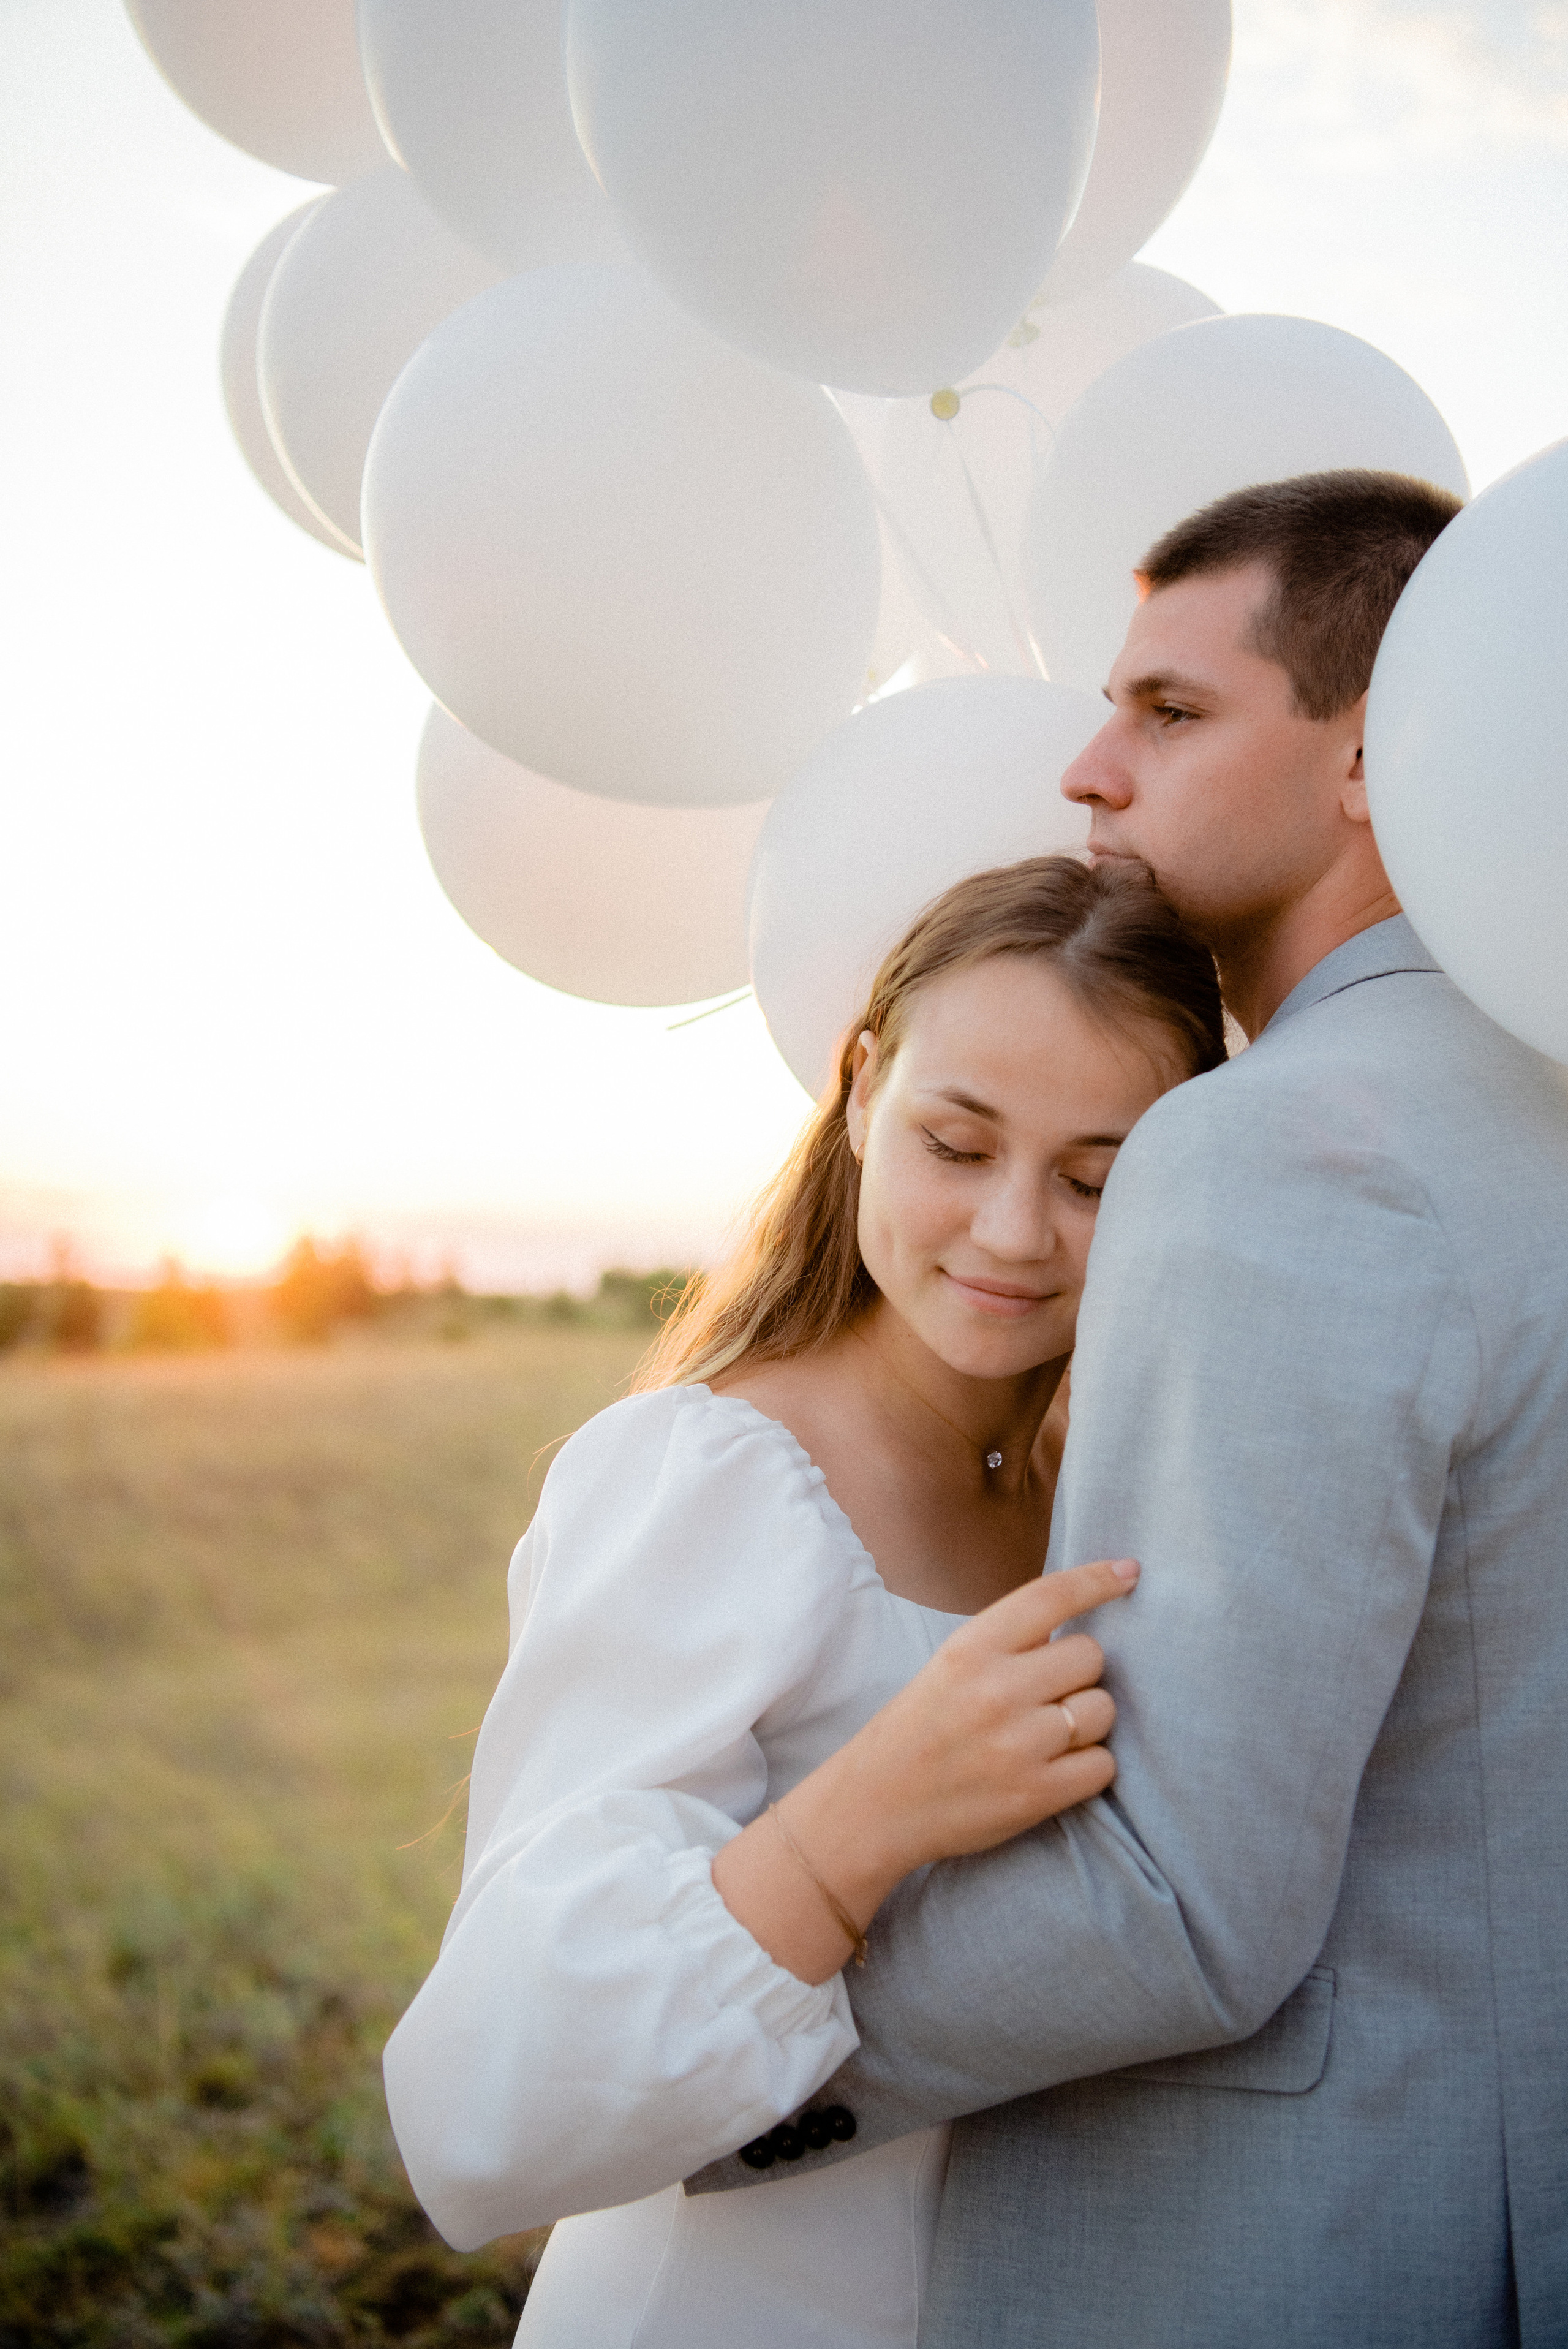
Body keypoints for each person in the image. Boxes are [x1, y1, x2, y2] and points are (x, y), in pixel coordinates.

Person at [690, 470, 1568, 2347]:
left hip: (1281, 2257)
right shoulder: (1537, 1110)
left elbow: (1178, 1903)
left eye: (1172, 712)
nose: (1089, 768)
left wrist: (706, 2050)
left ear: (1375, 754)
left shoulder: (1280, 1151)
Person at [382, 856, 1227, 2346]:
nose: (1016, 1232)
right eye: (957, 1146)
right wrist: (861, 1820)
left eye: (1095, 1179)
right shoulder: (709, 1480)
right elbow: (485, 2102)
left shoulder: (1097, 1471)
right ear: (856, 1090)